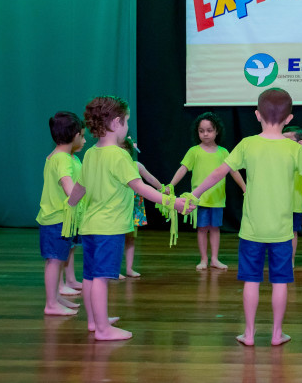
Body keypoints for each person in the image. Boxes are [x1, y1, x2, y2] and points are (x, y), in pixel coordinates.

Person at [191, 88, 302, 346]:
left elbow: (218, 173)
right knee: (280, 282)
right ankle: (276, 334)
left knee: (251, 281)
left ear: (257, 115)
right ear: (289, 118)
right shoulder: (294, 149)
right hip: (281, 231)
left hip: (252, 230)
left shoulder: (247, 144)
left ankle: (249, 334)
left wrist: (194, 194)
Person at [67, 96, 193, 340]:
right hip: (109, 228)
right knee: (101, 278)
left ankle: (95, 321)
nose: (127, 128)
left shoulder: (91, 153)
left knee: (90, 275)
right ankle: (103, 330)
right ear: (116, 123)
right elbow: (140, 187)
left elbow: (79, 188)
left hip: (90, 226)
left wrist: (70, 205)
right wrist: (172, 203)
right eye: (126, 122)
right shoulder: (119, 155)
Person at [169, 112, 245, 271]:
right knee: (202, 228)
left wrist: (245, 188)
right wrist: (171, 185)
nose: (205, 134)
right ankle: (203, 259)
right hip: (199, 199)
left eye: (209, 130)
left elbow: (234, 171)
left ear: (217, 131)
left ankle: (214, 259)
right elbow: (183, 169)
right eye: (201, 131)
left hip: (217, 199)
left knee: (215, 228)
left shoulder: (223, 152)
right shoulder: (194, 151)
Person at [36, 111, 86, 315]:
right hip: (56, 218)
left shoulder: (56, 156)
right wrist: (80, 196)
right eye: (82, 135)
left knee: (57, 259)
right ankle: (51, 304)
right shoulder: (63, 159)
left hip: (61, 219)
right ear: (75, 135)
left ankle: (55, 298)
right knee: (54, 261)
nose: (83, 139)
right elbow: (68, 186)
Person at [119, 136, 163, 278]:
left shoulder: (136, 165)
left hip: (133, 208)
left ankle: (129, 268)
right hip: (119, 208)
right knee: (117, 239)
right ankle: (114, 269)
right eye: (120, 149)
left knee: (131, 238)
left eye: (125, 149)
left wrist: (162, 188)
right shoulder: (115, 165)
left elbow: (150, 178)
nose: (123, 151)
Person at [283, 125, 302, 267]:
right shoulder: (279, 157)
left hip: (296, 202)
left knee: (293, 231)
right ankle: (279, 258)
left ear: (300, 143)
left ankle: (291, 259)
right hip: (279, 201)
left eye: (288, 140)